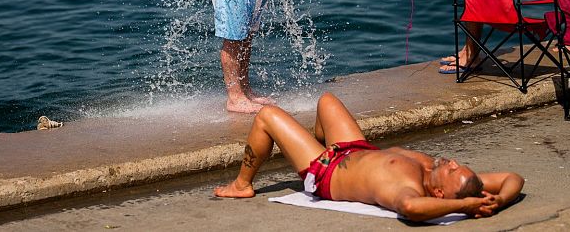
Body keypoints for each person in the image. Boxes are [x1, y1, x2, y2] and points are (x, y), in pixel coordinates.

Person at [214, 92, 524, 222]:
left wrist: (465, 206)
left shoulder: (411, 189)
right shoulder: (439, 171)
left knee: (267, 115)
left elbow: (410, 208)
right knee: (326, 101)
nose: (452, 162)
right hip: (355, 150)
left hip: (328, 173)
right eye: (457, 164)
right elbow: (514, 179)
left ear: (441, 193)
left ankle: (242, 184)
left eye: (452, 170)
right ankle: (310, 145)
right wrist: (500, 201)